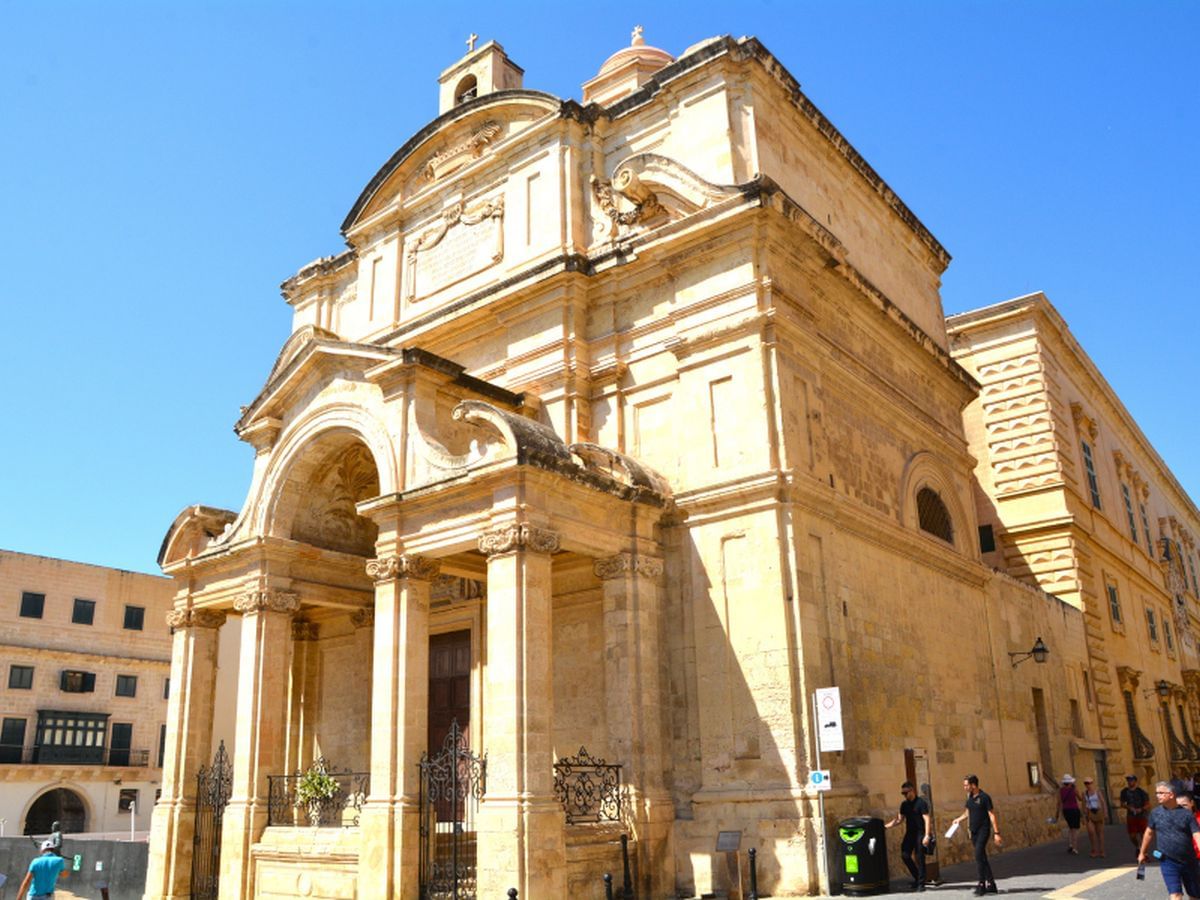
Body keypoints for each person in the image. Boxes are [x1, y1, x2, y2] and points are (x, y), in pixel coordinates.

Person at [1139, 780, 1200, 900]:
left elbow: (1197, 834)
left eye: (1161, 793)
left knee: (1194, 896)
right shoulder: (1155, 813)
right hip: (1168, 861)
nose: (1158, 795)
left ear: (1171, 794)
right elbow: (1149, 833)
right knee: (1175, 895)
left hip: (1189, 861)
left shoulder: (1187, 814)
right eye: (1157, 793)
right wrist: (1142, 852)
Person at [950, 774, 1001, 896]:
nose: (964, 787)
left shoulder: (984, 797)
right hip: (973, 832)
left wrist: (996, 833)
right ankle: (992, 884)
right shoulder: (970, 798)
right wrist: (958, 819)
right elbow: (967, 812)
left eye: (966, 785)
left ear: (973, 785)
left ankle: (981, 884)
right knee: (982, 857)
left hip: (983, 830)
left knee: (978, 855)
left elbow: (991, 815)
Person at [885, 781, 932, 892]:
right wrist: (886, 826)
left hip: (920, 833)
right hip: (910, 833)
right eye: (903, 793)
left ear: (912, 791)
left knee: (920, 858)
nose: (904, 795)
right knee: (905, 855)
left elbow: (927, 819)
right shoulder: (904, 805)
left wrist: (927, 835)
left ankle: (921, 884)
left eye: (906, 793)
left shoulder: (921, 803)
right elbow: (899, 820)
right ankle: (917, 877)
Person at [1055, 773, 1082, 854]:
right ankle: (1075, 847)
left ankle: (1070, 844)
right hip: (1074, 810)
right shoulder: (1074, 790)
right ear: (1070, 782)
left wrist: (1057, 814)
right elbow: (1080, 798)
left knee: (1070, 827)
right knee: (1075, 829)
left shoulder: (1060, 791)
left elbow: (1059, 803)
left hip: (1066, 810)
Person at [1123, 774, 1151, 852]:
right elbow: (1122, 803)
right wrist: (1129, 807)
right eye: (1128, 780)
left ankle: (1144, 851)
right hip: (1131, 815)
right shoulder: (1124, 792)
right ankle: (1137, 846)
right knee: (1132, 835)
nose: (1129, 782)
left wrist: (1141, 809)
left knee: (1143, 834)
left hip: (1141, 815)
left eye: (1131, 780)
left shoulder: (1141, 792)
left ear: (1135, 781)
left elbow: (1148, 804)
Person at [1082, 777, 1106, 858]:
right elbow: (1083, 805)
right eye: (1086, 783)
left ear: (1092, 783)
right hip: (1090, 813)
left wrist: (1105, 813)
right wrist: (1084, 816)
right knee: (1091, 832)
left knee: (1100, 833)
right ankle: (1094, 850)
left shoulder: (1097, 792)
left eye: (1089, 783)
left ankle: (1102, 850)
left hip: (1098, 812)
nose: (1087, 785)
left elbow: (1103, 802)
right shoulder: (1084, 793)